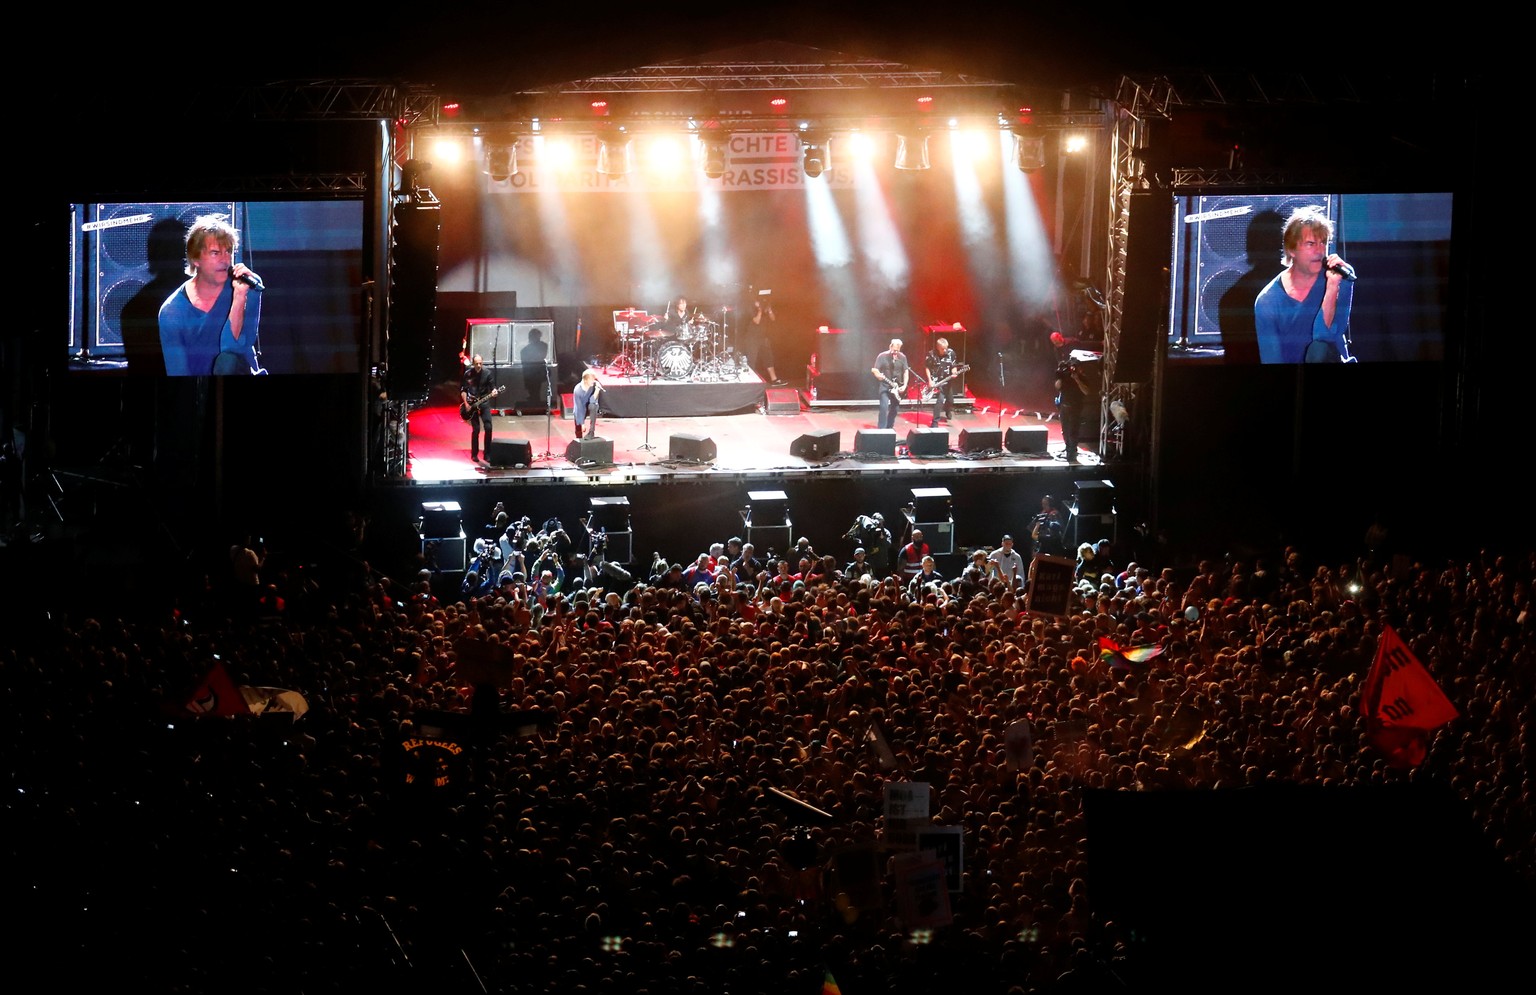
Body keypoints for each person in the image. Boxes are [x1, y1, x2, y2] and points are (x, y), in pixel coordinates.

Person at [158, 215, 265, 376]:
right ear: (196, 259)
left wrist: (239, 298)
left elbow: (234, 350)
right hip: (202, 391)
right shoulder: (171, 312)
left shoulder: (249, 286)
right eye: (215, 253)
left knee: (227, 361)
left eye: (228, 251)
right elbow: (178, 373)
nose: (225, 260)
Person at [1254, 207, 1357, 364]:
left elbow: (1326, 337)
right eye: (1311, 244)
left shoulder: (1341, 277)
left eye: (1323, 242)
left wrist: (1332, 288)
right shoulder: (1267, 301)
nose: (1319, 250)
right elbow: (1271, 359)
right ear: (1292, 249)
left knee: (1318, 349)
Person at [460, 354, 497, 462]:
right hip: (472, 403)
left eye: (480, 363)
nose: (479, 365)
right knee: (476, 429)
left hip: (484, 402)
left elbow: (492, 386)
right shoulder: (468, 374)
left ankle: (487, 454)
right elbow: (463, 390)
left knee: (488, 427)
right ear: (473, 363)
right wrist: (466, 404)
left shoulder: (487, 373)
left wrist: (494, 391)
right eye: (476, 364)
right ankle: (474, 454)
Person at [1054, 355, 1089, 464]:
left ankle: (1072, 453)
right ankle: (1068, 448)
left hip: (1075, 407)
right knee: (1065, 430)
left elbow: (1086, 391)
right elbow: (1057, 386)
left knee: (1073, 431)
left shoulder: (1082, 377)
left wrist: (1077, 379)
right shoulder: (1065, 376)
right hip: (1064, 406)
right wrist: (1059, 375)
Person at [871, 338, 910, 430]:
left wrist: (904, 385)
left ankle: (889, 427)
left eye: (897, 350)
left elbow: (906, 372)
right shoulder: (882, 356)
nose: (895, 352)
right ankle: (882, 429)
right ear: (890, 346)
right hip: (885, 386)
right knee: (884, 407)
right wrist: (878, 376)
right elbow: (875, 369)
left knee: (895, 409)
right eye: (894, 350)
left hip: (897, 387)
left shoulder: (902, 357)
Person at [746, 298, 784, 386]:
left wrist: (769, 310)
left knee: (768, 357)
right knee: (752, 358)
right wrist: (760, 310)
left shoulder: (766, 307)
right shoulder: (750, 308)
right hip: (752, 337)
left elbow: (773, 319)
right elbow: (756, 321)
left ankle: (774, 379)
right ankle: (748, 380)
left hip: (763, 337)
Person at [925, 336, 958, 427]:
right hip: (937, 382)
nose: (945, 350)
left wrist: (954, 372)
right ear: (938, 348)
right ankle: (935, 422)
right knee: (939, 401)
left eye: (946, 348)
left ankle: (947, 411)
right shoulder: (931, 354)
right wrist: (930, 381)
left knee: (950, 400)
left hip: (947, 381)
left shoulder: (951, 353)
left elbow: (954, 365)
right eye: (942, 349)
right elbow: (927, 367)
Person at [572, 368, 603, 439]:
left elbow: (593, 401)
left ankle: (591, 432)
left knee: (593, 406)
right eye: (591, 379)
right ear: (585, 380)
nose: (593, 381)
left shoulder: (594, 386)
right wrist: (582, 423)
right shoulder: (578, 390)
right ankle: (578, 440)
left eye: (594, 379)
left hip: (589, 406)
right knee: (578, 426)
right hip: (580, 408)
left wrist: (597, 390)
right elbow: (578, 408)